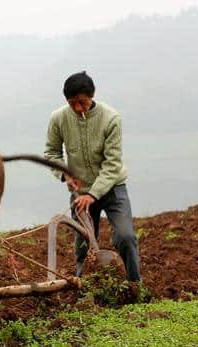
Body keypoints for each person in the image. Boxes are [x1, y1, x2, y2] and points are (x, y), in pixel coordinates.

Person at [44, 71, 141, 282]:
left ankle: (134, 285)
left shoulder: (111, 118)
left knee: (126, 237)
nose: (78, 109)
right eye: (72, 103)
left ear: (92, 95)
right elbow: (51, 153)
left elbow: (112, 163)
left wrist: (94, 194)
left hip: (113, 188)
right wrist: (65, 174)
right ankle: (84, 287)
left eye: (82, 102)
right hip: (80, 192)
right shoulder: (58, 118)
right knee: (82, 244)